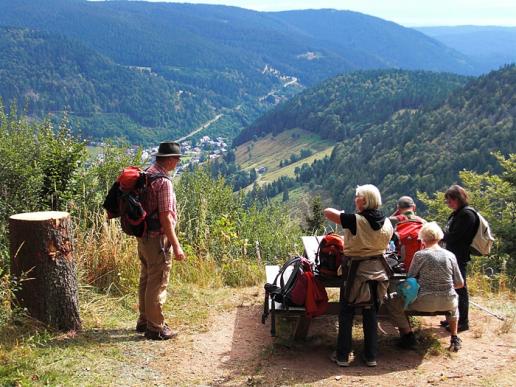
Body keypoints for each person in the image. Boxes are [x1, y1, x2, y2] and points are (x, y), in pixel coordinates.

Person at [324, 184, 393, 367]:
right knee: (371, 311)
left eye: (357, 196)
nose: (355, 199)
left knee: (346, 311)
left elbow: (327, 212)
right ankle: (371, 356)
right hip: (379, 270)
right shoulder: (387, 222)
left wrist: (341, 213)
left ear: (364, 200)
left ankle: (343, 356)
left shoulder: (356, 220)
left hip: (356, 270)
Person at [385, 222, 464, 351]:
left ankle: (408, 335)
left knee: (392, 301)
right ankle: (454, 337)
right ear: (439, 236)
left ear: (422, 238)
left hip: (423, 301)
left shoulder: (420, 255)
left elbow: (410, 279)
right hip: (448, 302)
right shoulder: (450, 255)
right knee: (454, 303)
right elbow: (460, 283)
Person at [136, 141, 186, 340]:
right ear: (170, 160)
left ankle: (143, 320)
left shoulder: (147, 174)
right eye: (177, 159)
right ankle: (156, 327)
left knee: (146, 278)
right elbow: (166, 217)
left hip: (144, 236)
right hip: (158, 239)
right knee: (157, 282)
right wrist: (176, 245)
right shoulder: (163, 182)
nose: (178, 163)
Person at [441, 185, 478, 332]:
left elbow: (456, 236)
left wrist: (440, 235)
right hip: (453, 255)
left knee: (460, 287)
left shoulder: (466, 215)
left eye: (449, 200)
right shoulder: (458, 213)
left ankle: (463, 321)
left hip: (459, 256)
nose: (448, 203)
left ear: (457, 199)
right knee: (452, 288)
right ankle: (453, 318)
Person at [389, 196, 426, 270]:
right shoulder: (424, 222)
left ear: (398, 208)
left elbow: (384, 228)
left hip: (400, 264)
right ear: (414, 207)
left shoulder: (392, 221)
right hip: (421, 263)